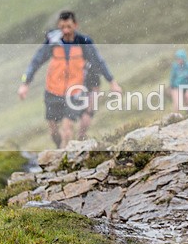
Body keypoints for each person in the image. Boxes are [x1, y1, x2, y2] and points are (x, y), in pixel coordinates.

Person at [17, 11, 121, 148]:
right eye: (62, 27)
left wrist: (112, 82)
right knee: (53, 130)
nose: (65, 31)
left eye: (68, 27)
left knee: (67, 127)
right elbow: (36, 61)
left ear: (75, 25)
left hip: (74, 91)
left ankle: (65, 159)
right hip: (53, 91)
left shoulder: (84, 42)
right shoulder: (52, 42)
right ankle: (59, 150)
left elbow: (98, 62)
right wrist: (25, 83)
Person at [169, 49, 188, 113]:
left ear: (184, 58)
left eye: (180, 58)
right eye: (177, 58)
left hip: (187, 86)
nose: (178, 60)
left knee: (187, 101)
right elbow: (172, 78)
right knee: (178, 103)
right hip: (176, 87)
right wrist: (171, 88)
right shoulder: (175, 66)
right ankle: (175, 117)